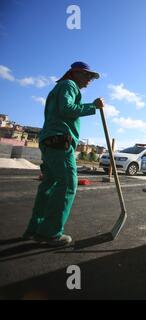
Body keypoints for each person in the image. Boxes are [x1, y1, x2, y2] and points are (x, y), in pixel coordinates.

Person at [23, 61, 104, 247]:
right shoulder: (69, 85)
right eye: (87, 75)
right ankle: (51, 233)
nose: (90, 80)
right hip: (59, 141)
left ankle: (35, 228)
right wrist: (92, 106)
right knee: (68, 183)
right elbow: (66, 109)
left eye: (91, 77)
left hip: (50, 141)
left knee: (49, 184)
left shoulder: (61, 87)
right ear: (75, 73)